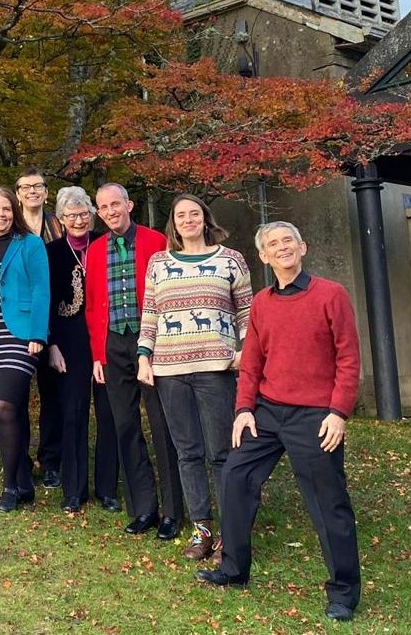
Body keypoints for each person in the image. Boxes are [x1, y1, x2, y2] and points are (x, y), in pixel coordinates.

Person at [197, 222, 362, 624]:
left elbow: (349, 359)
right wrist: (243, 410)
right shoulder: (263, 304)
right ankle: (234, 570)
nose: (282, 247)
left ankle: (343, 593)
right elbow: (251, 362)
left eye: (288, 240)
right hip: (268, 412)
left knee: (329, 504)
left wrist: (339, 412)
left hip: (316, 416)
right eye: (273, 244)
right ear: (264, 257)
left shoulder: (331, 294)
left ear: (302, 247)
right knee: (235, 477)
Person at [137, 194, 253, 561]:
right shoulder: (158, 263)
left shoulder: (230, 260)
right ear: (173, 223)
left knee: (221, 452)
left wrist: (244, 350)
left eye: (194, 214)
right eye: (181, 215)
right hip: (170, 370)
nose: (188, 220)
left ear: (205, 218)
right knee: (187, 453)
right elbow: (151, 313)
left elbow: (248, 311)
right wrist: (144, 355)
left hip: (215, 368)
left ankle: (229, 533)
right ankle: (201, 529)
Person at [85, 183, 184, 538]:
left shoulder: (156, 241)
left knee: (161, 424)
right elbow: (94, 303)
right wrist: (98, 354)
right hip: (113, 343)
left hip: (151, 342)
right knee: (125, 425)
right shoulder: (96, 251)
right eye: (104, 208)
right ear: (99, 212)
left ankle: (173, 510)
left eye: (116, 204)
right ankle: (143, 507)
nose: (111, 212)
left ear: (129, 204)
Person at [0, 187, 50, 512]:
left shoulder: (29, 243)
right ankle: (25, 481)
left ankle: (10, 486)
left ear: (14, 211)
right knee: (6, 409)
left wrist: (38, 334)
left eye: (6, 209)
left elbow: (41, 288)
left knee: (5, 405)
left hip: (19, 334)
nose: (1, 215)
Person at [45, 186, 120, 514]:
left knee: (108, 411)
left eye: (83, 214)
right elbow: (44, 301)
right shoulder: (51, 252)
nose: (78, 220)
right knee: (73, 411)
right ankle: (73, 489)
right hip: (68, 338)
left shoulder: (106, 244)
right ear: (60, 219)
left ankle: (108, 488)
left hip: (105, 336)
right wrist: (51, 345)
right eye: (71, 215)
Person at [16, 168, 65, 489]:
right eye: (26, 187)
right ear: (17, 193)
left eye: (38, 186)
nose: (33, 191)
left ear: (46, 192)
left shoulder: (58, 227)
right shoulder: (9, 226)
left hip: (53, 319)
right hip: (18, 321)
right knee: (15, 394)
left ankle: (50, 460)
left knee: (53, 395)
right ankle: (18, 458)